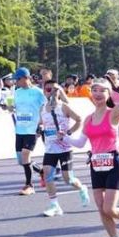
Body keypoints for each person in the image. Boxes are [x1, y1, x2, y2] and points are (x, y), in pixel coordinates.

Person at [64, 61, 119, 237]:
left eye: (102, 90)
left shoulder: (114, 113)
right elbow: (80, 143)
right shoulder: (89, 119)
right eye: (95, 90)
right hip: (96, 164)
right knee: (101, 208)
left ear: (108, 94)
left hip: (113, 162)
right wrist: (63, 137)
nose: (98, 93)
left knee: (109, 208)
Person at [40, 80, 90, 216]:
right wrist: (38, 130)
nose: (52, 92)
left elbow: (79, 119)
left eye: (55, 89)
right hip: (50, 149)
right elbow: (41, 123)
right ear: (44, 92)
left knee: (68, 179)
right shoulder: (42, 108)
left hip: (64, 148)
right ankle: (54, 205)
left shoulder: (63, 107)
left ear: (59, 92)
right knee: (47, 175)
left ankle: (81, 188)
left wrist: (68, 133)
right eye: (48, 89)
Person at [11, 68, 47, 195]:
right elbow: (15, 107)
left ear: (26, 78)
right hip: (20, 128)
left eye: (17, 79)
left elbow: (46, 107)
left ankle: (29, 185)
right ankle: (41, 171)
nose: (16, 82)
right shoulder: (17, 92)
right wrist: (10, 107)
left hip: (32, 128)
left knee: (26, 154)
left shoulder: (38, 92)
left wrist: (41, 123)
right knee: (22, 160)